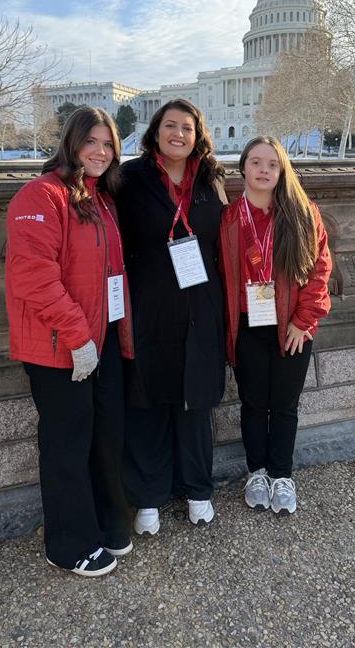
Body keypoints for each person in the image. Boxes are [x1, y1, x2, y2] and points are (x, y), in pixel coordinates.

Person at [4, 106, 133, 578]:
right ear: (71, 143)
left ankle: (101, 525)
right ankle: (68, 544)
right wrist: (78, 337)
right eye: (91, 142)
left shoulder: (99, 199)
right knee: (66, 444)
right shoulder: (41, 194)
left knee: (102, 437)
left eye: (108, 143)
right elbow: (33, 277)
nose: (100, 151)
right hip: (58, 347)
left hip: (98, 343)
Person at [116, 98, 226, 535]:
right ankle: (148, 497)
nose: (178, 133)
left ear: (198, 134)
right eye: (169, 125)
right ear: (154, 130)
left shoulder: (211, 178)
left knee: (195, 401)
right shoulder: (130, 178)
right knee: (148, 400)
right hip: (149, 303)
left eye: (187, 127)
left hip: (201, 303)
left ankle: (197, 488)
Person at [219, 136, 331, 514]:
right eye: (255, 162)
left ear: (282, 170)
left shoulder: (302, 213)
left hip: (291, 327)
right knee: (253, 403)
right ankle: (258, 471)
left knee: (284, 404)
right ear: (243, 169)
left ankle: (282, 474)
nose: (263, 170)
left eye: (271, 164)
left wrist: (303, 321)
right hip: (249, 323)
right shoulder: (230, 217)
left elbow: (320, 269)